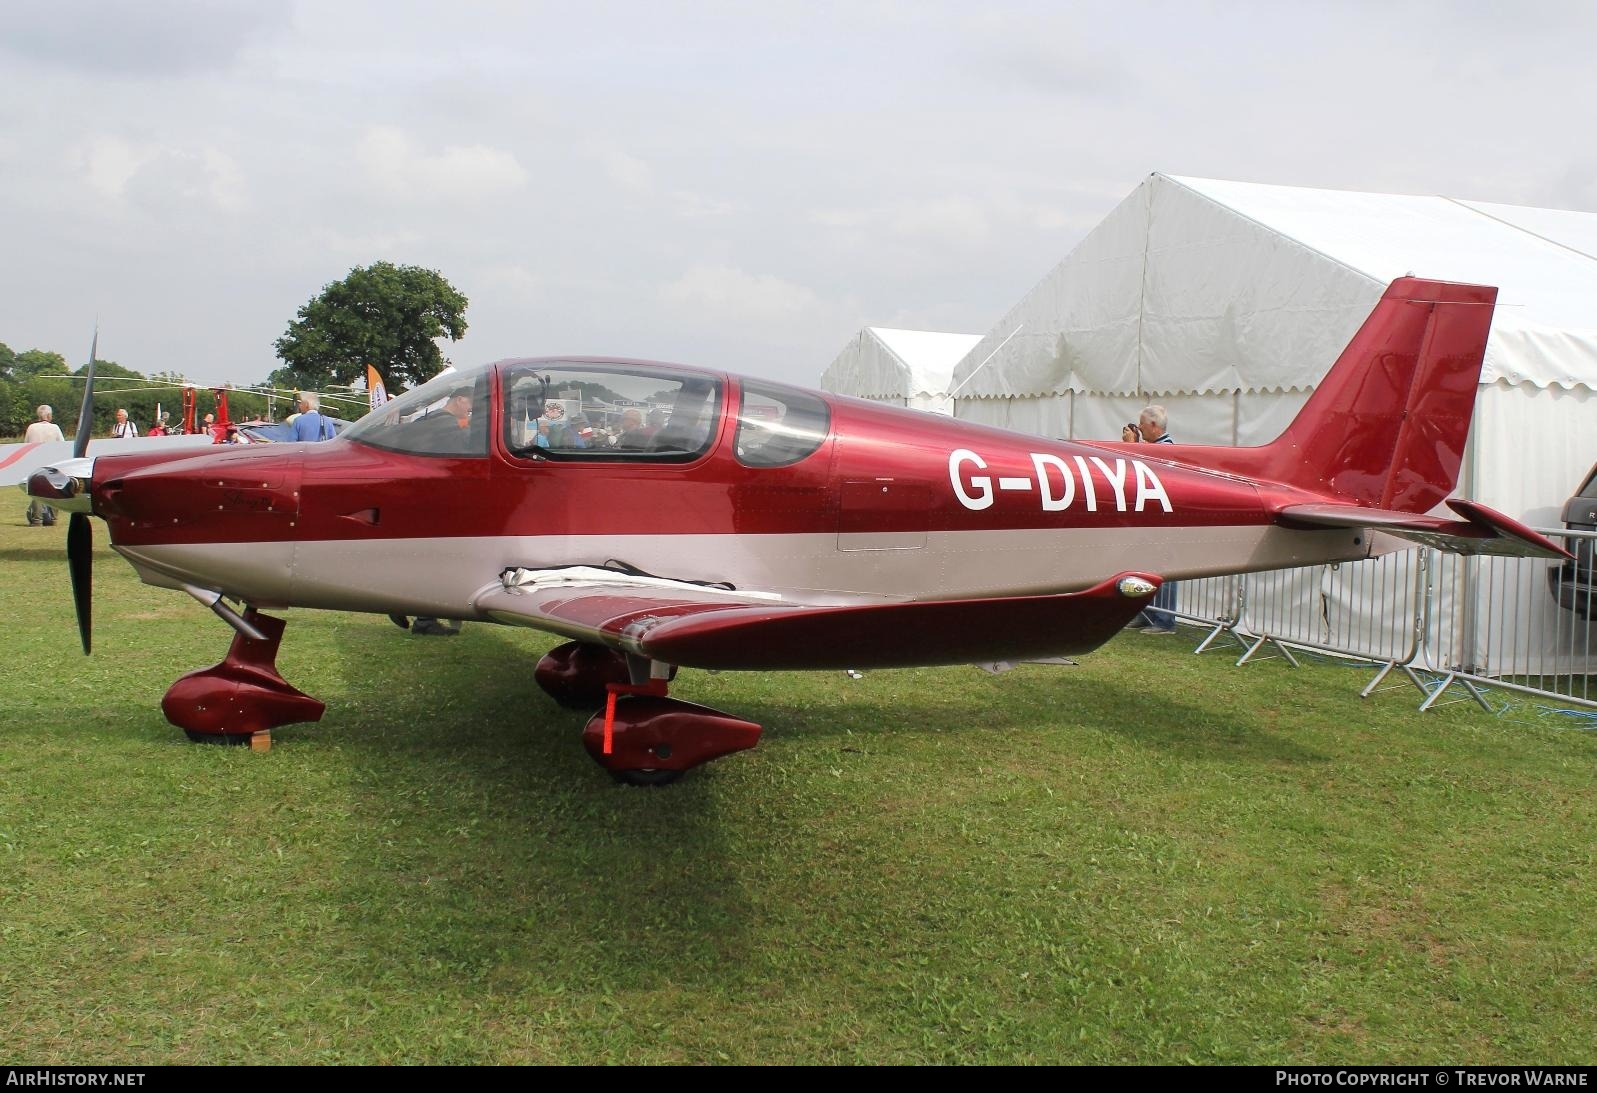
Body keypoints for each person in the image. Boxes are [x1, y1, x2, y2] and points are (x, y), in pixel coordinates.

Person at [1123, 405, 1178, 633]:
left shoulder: (1166, 448)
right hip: (1150, 520)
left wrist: (1133, 447)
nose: (1140, 428)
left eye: (1142, 424)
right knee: (1145, 568)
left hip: (1163, 520)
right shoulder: (1152, 447)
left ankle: (1165, 621)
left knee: (1164, 570)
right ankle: (1146, 614)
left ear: (1154, 425)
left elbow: (1149, 471)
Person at [24, 405, 65, 526]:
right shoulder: (55, 428)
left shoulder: (31, 428)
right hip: (53, 463)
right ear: (49, 415)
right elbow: (62, 445)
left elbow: (26, 445)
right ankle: (53, 519)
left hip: (36, 463)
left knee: (37, 490)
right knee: (54, 489)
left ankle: (37, 519)